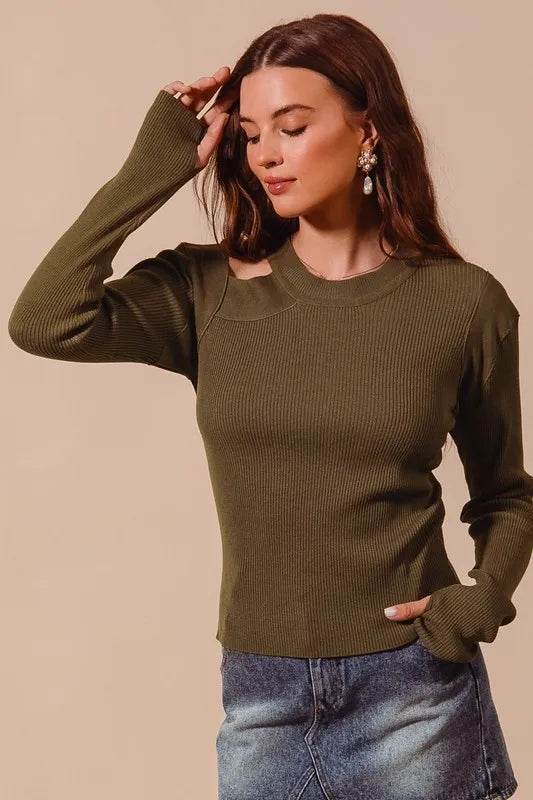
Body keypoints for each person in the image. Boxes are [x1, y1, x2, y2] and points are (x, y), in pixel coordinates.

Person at [8, 12, 531, 800]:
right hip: (262, 699)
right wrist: (156, 164)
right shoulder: (206, 292)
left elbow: (506, 494)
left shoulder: (460, 303)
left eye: (292, 126)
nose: (266, 155)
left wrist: (480, 600)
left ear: (367, 130)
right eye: (250, 134)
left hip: (413, 691)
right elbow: (45, 320)